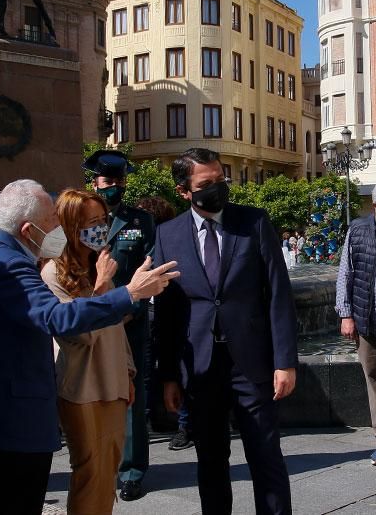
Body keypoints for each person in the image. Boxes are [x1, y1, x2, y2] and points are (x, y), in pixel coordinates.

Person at [0, 179, 178, 515]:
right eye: (52, 221)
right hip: (16, 415)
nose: (57, 227)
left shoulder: (3, 258)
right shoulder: (11, 266)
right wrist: (128, 293)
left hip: (19, 409)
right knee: (16, 498)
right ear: (29, 229)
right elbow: (59, 319)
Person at [155, 148, 299, 515]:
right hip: (201, 369)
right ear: (184, 191)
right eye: (206, 183)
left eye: (221, 179)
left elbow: (278, 295)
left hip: (252, 365)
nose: (217, 188)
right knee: (211, 462)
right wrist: (169, 375)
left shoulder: (254, 223)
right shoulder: (166, 236)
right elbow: (169, 313)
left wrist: (285, 361)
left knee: (266, 458)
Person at [44, 189, 134, 514]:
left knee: (109, 471)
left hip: (113, 380)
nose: (100, 227)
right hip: (82, 387)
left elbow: (115, 327)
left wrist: (127, 371)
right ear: (70, 227)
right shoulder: (52, 273)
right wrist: (102, 288)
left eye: (102, 220)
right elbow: (78, 335)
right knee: (90, 471)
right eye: (91, 222)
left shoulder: (99, 264)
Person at [83, 149, 157, 501]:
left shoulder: (140, 221)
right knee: (90, 394)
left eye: (119, 181)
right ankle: (97, 464)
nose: (114, 187)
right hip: (91, 321)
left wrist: (135, 306)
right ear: (95, 183)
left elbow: (150, 267)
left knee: (132, 397)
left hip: (130, 321)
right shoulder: (81, 219)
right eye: (108, 181)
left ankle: (130, 470)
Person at [134, 196, 195, 452]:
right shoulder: (139, 244)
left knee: (163, 369)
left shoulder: (171, 242)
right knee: (150, 370)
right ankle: (165, 422)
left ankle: (179, 424)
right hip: (147, 313)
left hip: (165, 313)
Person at [335, 180, 376, 467]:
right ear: (375, 207)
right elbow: (345, 271)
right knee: (375, 379)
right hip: (368, 319)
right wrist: (345, 313)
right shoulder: (358, 230)